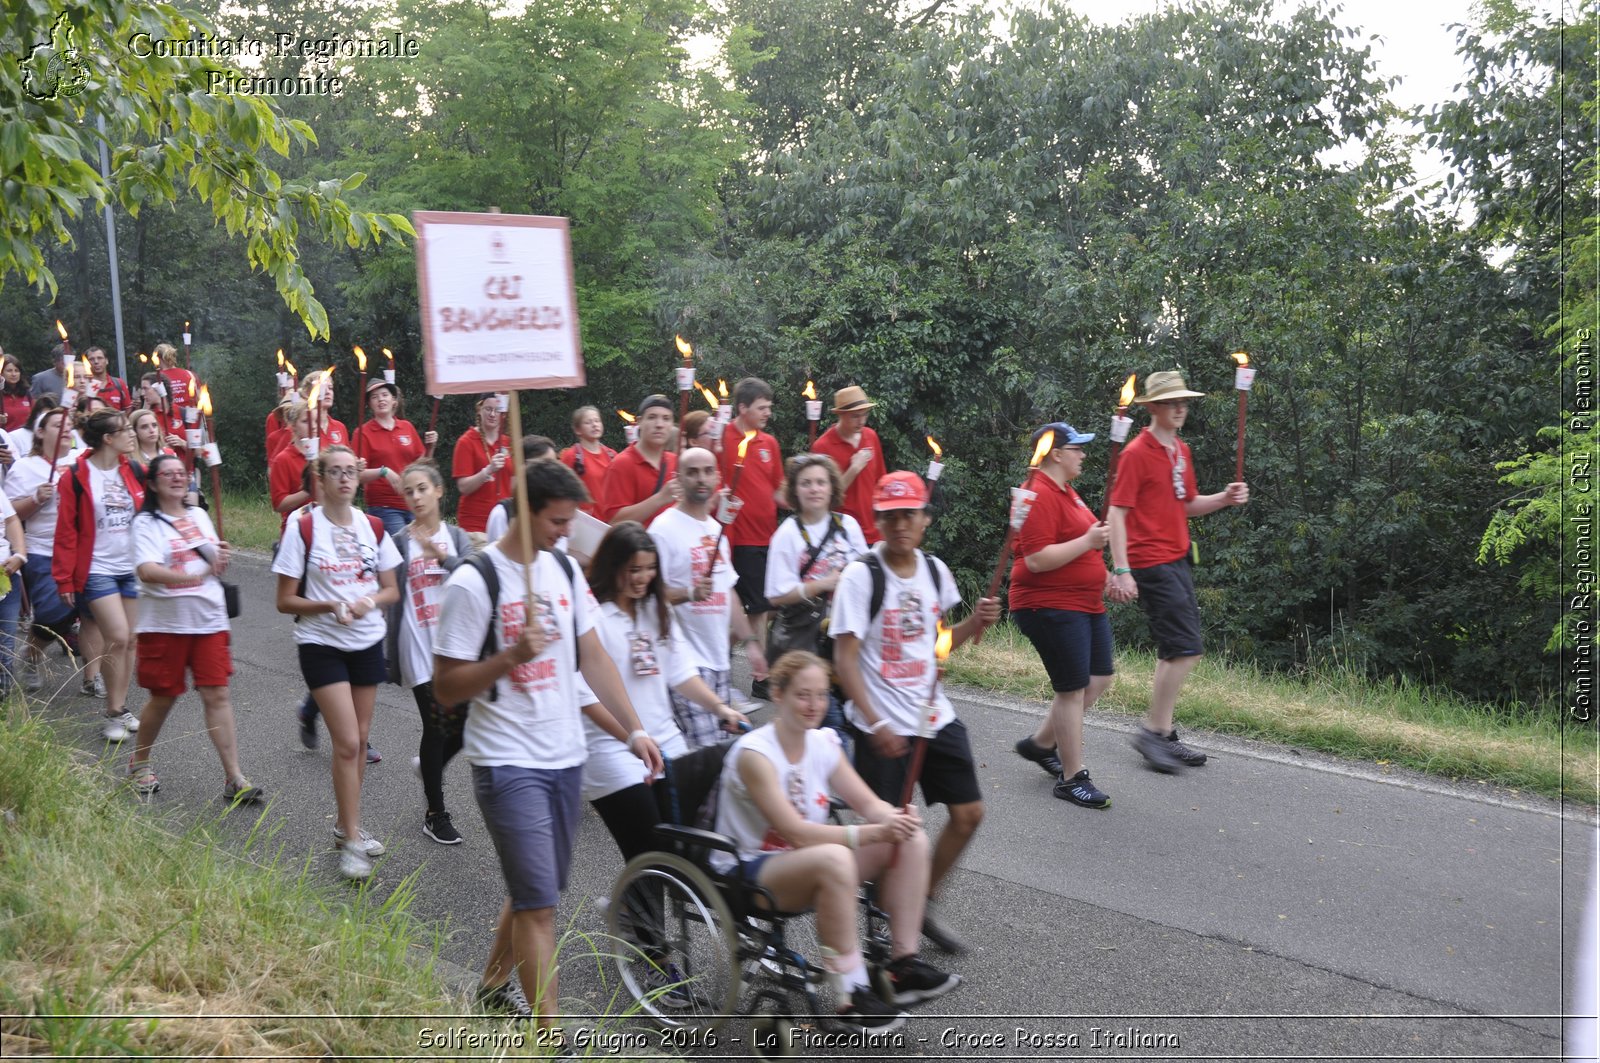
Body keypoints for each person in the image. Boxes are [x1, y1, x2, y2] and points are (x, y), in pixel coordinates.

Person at [433, 459, 663, 1033]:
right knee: (540, 904)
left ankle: (490, 986)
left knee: (533, 888)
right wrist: (511, 655)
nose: (568, 531)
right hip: (507, 762)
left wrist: (633, 728)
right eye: (559, 520)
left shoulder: (562, 571)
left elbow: (595, 656)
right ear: (526, 511)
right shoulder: (474, 581)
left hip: (566, 759)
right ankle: (550, 1038)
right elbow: (445, 687)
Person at [711, 650, 961, 1032]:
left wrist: (893, 818)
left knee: (910, 840)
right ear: (777, 694)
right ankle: (851, 995)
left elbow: (867, 803)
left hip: (810, 860)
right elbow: (794, 832)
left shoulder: (824, 742)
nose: (814, 705)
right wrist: (872, 831)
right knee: (835, 858)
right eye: (802, 695)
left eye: (822, 695)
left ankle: (902, 966)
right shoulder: (755, 755)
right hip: (749, 871)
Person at [830, 471, 1001, 955]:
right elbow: (845, 658)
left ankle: (919, 901)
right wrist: (875, 721)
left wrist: (974, 623)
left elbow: (940, 641)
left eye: (910, 514)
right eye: (891, 516)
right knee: (888, 835)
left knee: (969, 813)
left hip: (931, 714)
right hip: (880, 724)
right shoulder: (861, 577)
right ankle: (880, 920)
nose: (901, 524)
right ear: (878, 521)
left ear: (925, 520)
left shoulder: (934, 571)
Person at [1107, 370, 1249, 772]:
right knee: (1186, 649)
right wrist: (1121, 569)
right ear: (1152, 407)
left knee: (1175, 650)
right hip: (1150, 562)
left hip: (1179, 558)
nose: (1180, 408)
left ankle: (1164, 734)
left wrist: (1223, 498)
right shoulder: (1137, 453)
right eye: (1171, 402)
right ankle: (1151, 733)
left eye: (1183, 401)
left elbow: (1185, 504)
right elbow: (1117, 514)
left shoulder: (1180, 451)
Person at [271, 445, 402, 880]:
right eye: (336, 472)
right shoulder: (303, 528)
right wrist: (330, 605)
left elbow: (391, 590)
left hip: (366, 642)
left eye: (351, 472)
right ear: (321, 479)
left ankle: (346, 824)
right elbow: (284, 599)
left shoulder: (375, 525)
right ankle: (349, 840)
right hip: (321, 643)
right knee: (347, 742)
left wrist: (367, 601)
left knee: (360, 740)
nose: (345, 479)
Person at [583, 521, 746, 864]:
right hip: (612, 750)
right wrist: (632, 737)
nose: (643, 577)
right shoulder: (592, 617)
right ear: (612, 567)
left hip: (665, 741)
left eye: (650, 568)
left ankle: (632, 910)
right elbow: (586, 698)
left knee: (681, 851)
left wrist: (721, 709)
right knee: (650, 852)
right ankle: (636, 913)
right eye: (634, 569)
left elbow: (681, 672)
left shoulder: (657, 610)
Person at [124, 453, 261, 804]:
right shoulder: (146, 524)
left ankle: (234, 777)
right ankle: (139, 762)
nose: (176, 478)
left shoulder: (200, 515)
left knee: (218, 694)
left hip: (209, 620)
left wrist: (220, 556)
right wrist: (190, 576)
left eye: (181, 473)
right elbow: (148, 571)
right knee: (164, 697)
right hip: (165, 624)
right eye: (166, 474)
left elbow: (213, 561)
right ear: (152, 484)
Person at [1007, 423, 1116, 808]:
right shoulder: (1038, 494)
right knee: (1070, 690)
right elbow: (1036, 559)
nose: (1083, 455)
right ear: (1056, 453)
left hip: (1085, 603)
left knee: (1098, 679)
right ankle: (1072, 778)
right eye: (1077, 448)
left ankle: (1041, 744)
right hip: (1048, 604)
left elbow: (1084, 550)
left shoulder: (1068, 492)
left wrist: (1106, 576)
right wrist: (1088, 540)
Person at [649, 447, 768, 750]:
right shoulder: (663, 530)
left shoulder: (717, 529)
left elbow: (727, 592)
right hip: (684, 662)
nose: (701, 478)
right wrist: (688, 593)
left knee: (714, 757)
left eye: (707, 471)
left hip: (718, 661)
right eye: (692, 472)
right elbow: (645, 595)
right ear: (679, 478)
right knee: (706, 755)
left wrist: (752, 644)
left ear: (717, 476)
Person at [384, 460, 473, 844]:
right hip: (417, 643)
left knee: (467, 723)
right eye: (409, 491)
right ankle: (436, 813)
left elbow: (473, 574)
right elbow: (384, 587)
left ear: (439, 491)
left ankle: (429, 765)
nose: (416, 496)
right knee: (437, 725)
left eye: (422, 488)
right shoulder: (400, 542)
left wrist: (441, 557)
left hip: (456, 646)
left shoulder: (457, 536)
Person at [53, 409, 145, 740]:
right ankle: (113, 712)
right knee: (118, 636)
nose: (132, 434)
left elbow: (159, 498)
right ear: (108, 438)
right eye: (125, 430)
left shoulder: (133, 470)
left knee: (131, 640)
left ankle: (119, 708)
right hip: (97, 570)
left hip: (131, 568)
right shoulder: (75, 476)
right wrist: (63, 578)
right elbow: (65, 531)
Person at [718, 378, 785, 699]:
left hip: (769, 537)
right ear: (742, 408)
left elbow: (777, 489)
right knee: (758, 607)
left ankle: (719, 652)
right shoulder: (721, 437)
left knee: (763, 607)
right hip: (740, 537)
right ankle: (762, 678)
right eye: (762, 408)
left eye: (769, 408)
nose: (767, 413)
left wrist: (808, 498)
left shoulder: (769, 443)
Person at [6, 407, 81, 692]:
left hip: (81, 549)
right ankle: (33, 655)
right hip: (43, 550)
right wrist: (36, 498)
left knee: (88, 610)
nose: (66, 428)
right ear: (39, 432)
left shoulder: (79, 461)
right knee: (53, 612)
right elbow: (9, 513)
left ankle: (93, 676)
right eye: (57, 424)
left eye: (69, 424)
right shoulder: (25, 467)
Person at [354, 379, 436, 538]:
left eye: (385, 395)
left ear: (394, 400)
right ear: (369, 404)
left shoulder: (407, 427)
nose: (381, 399)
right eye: (375, 397)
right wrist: (383, 471)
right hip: (384, 507)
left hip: (414, 503)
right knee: (403, 550)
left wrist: (430, 448)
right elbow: (357, 475)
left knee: (420, 552)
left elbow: (423, 468)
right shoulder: (363, 433)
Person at [812, 385, 888, 546]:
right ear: (840, 414)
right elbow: (825, 498)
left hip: (875, 533)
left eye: (865, 415)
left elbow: (881, 482)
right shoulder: (822, 447)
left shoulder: (871, 437)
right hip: (842, 536)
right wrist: (853, 469)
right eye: (855, 416)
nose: (861, 421)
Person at [597, 394, 678, 525]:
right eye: (652, 417)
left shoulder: (676, 462)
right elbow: (614, 520)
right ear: (639, 422)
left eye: (666, 419)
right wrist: (661, 498)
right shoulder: (621, 464)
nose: (659, 424)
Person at [451, 394, 513, 547]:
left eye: (497, 410)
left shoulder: (509, 443)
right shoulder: (466, 441)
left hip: (505, 525)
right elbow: (463, 487)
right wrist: (488, 471)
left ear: (503, 413)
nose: (492, 414)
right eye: (488, 409)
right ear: (479, 410)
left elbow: (515, 485)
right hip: (476, 527)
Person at [559, 404, 615, 513]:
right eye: (588, 422)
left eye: (597, 421)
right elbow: (560, 489)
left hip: (611, 521)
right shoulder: (571, 456)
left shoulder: (612, 455)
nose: (594, 425)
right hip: (586, 522)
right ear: (577, 430)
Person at [82, 346, 133, 411]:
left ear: (106, 361)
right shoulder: (84, 385)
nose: (96, 362)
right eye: (91, 359)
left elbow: (128, 409)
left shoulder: (119, 383)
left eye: (100, 358)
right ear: (86, 363)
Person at [1, 354, 34, 437]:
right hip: (5, 442)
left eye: (16, 370)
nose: (14, 374)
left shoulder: (27, 393)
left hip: (25, 441)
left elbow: (34, 416)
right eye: (9, 371)